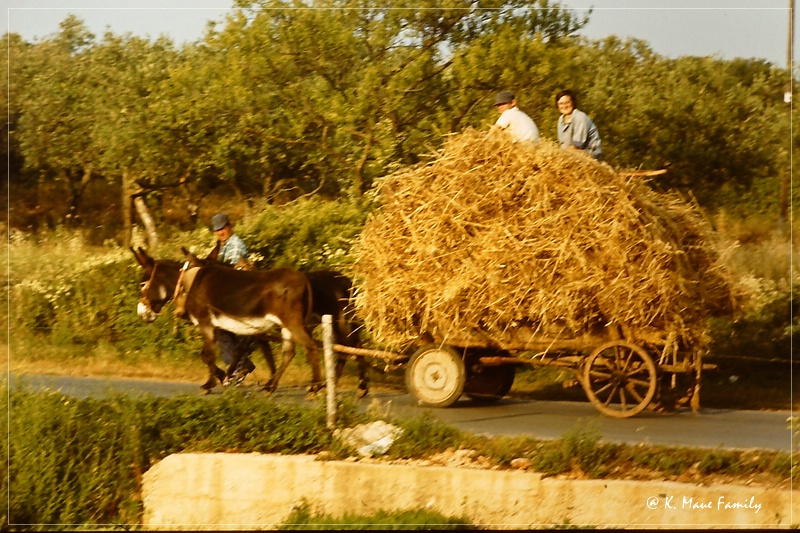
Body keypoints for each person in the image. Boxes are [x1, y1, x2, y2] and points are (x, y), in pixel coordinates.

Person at [210, 213, 256, 384]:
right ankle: (240, 364)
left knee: (222, 330)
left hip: (240, 291)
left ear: (230, 226)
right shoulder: (223, 246)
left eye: (223, 228)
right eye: (217, 230)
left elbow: (229, 273)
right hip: (235, 290)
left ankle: (240, 365)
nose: (220, 232)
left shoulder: (234, 245)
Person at [555, 90, 603, 160]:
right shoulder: (560, 120)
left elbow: (578, 145)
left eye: (567, 103)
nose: (564, 106)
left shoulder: (580, 117)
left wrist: (562, 154)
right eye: (561, 103)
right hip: (571, 152)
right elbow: (563, 144)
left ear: (573, 103)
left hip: (589, 152)